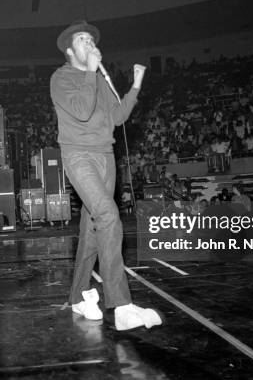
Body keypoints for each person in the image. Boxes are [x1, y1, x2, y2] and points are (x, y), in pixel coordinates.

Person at [50, 20, 162, 331]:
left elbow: (117, 117)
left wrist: (136, 85)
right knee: (109, 215)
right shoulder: (61, 78)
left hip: (105, 156)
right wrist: (90, 71)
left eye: (91, 39)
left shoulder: (98, 78)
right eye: (82, 39)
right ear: (71, 50)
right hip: (78, 156)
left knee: (91, 232)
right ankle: (122, 305)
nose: (89, 42)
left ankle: (77, 298)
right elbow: (82, 111)